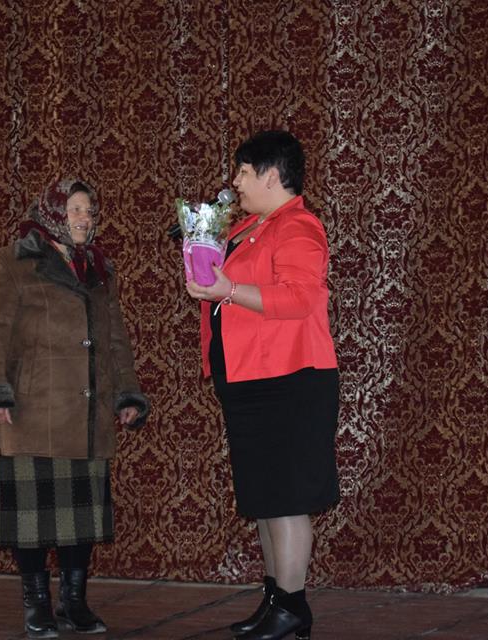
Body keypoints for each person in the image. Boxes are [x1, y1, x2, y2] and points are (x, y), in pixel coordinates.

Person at [0, 177, 149, 639]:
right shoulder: (10, 263)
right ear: (51, 213)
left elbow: (115, 340)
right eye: (74, 209)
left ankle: (74, 601)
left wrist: (126, 393)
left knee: (80, 519)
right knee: (31, 519)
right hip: (31, 412)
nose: (84, 218)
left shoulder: (100, 271)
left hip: (87, 416)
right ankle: (37, 604)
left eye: (89, 210)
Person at [186, 130, 340, 640]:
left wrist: (227, 288)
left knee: (287, 499)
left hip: (289, 379)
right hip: (251, 378)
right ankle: (276, 600)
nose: (235, 182)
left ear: (272, 176)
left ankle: (291, 607)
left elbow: (300, 299)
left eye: (244, 172)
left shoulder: (299, 227)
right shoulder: (252, 226)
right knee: (267, 499)